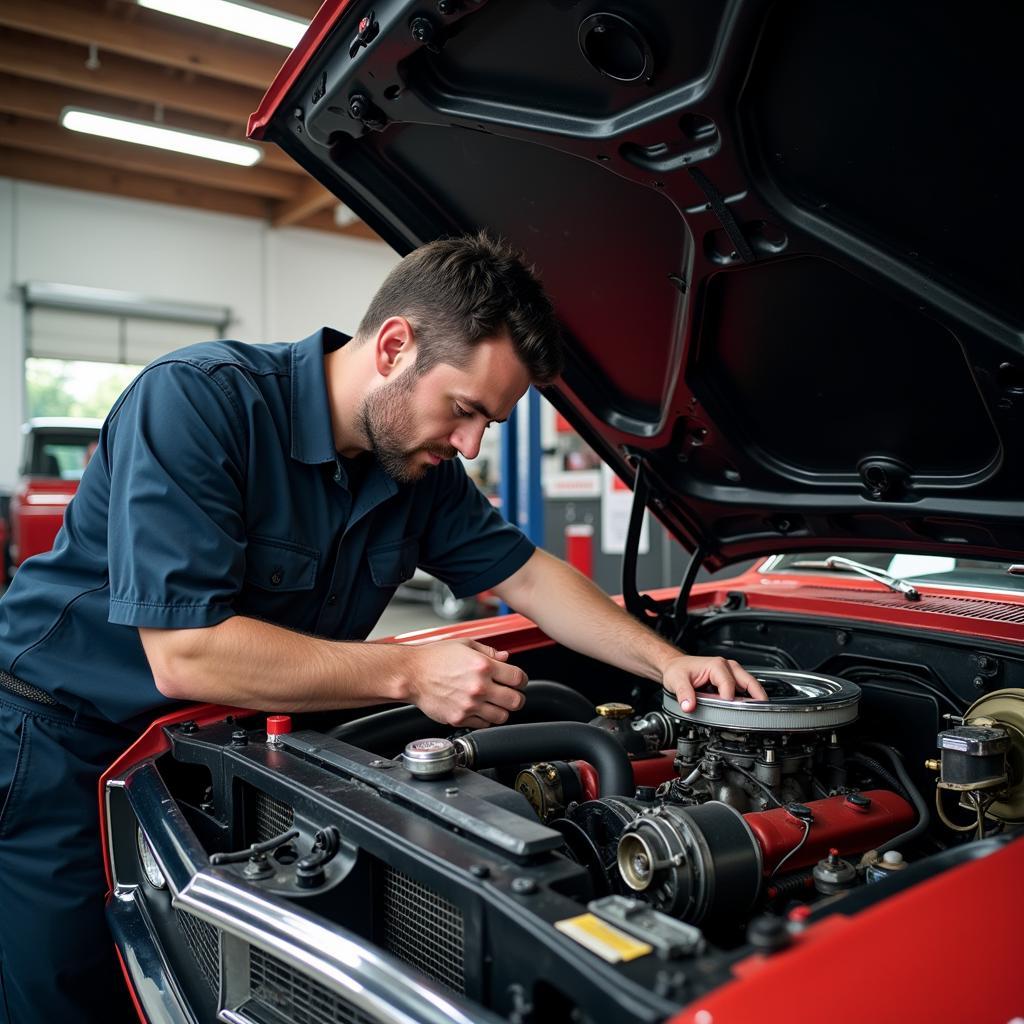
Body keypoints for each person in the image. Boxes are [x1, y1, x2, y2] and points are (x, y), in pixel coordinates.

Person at [0, 232, 765, 1023]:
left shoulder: (415, 472)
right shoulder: (202, 402)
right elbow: (186, 653)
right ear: (395, 345)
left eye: (488, 426)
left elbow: (529, 575)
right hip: (63, 742)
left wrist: (667, 662)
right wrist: (408, 673)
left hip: (211, 751)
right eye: (465, 411)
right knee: (68, 992)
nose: (469, 444)